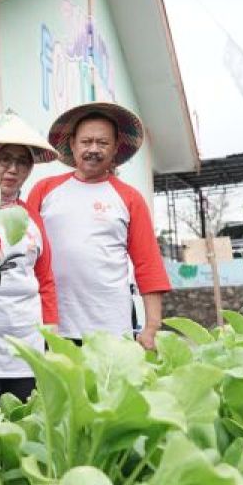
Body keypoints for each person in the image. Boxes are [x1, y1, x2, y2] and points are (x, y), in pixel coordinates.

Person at [27, 102, 170, 349]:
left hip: (112, 328)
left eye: (102, 143)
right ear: (72, 145)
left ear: (115, 148)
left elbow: (148, 264)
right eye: (86, 141)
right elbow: (24, 252)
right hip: (52, 325)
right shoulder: (44, 190)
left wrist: (152, 327)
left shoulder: (130, 198)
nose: (93, 149)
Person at [0, 112, 59, 408]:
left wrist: (50, 331)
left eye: (23, 161)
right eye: (4, 159)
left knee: (24, 424)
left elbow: (44, 278)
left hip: (26, 344)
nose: (13, 169)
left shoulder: (31, 216)